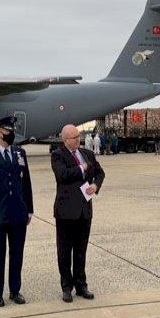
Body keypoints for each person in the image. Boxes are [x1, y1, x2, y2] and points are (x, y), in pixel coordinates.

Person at [0, 116, 34, 307]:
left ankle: (15, 290)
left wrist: (29, 210)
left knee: (17, 254)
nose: (11, 135)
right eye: (8, 132)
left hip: (18, 213)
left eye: (12, 132)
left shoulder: (20, 153)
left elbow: (26, 183)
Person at [51, 124, 106, 303]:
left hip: (84, 211)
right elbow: (63, 175)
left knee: (81, 250)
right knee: (65, 251)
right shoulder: (58, 155)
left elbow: (99, 172)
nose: (78, 139)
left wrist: (96, 185)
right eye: (74, 137)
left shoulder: (88, 154)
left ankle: (81, 285)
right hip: (66, 212)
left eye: (78, 136)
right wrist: (82, 169)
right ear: (65, 140)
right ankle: (67, 287)